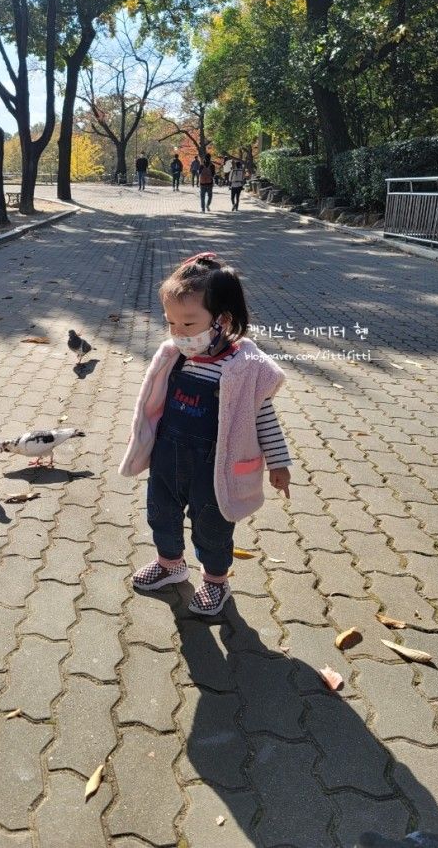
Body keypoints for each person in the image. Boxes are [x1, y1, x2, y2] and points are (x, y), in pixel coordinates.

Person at [119, 252, 291, 616]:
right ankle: (170, 565)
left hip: (216, 467)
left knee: (212, 527)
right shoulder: (175, 357)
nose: (178, 334)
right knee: (160, 514)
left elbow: (264, 419)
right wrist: (143, 441)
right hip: (169, 456)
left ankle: (215, 581)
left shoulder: (244, 370)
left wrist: (279, 463)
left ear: (222, 320)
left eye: (188, 324)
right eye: (170, 324)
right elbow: (152, 404)